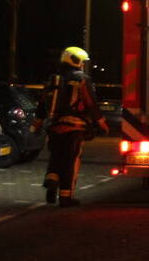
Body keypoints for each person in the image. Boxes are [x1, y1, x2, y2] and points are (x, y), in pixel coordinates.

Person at [35, 46, 108, 207]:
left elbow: (42, 104)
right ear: (77, 61)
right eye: (82, 62)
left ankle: (51, 179)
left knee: (56, 157)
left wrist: (37, 124)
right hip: (75, 128)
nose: (83, 65)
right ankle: (66, 197)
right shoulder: (82, 79)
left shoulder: (53, 79)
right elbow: (90, 104)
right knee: (70, 162)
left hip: (54, 126)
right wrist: (102, 124)